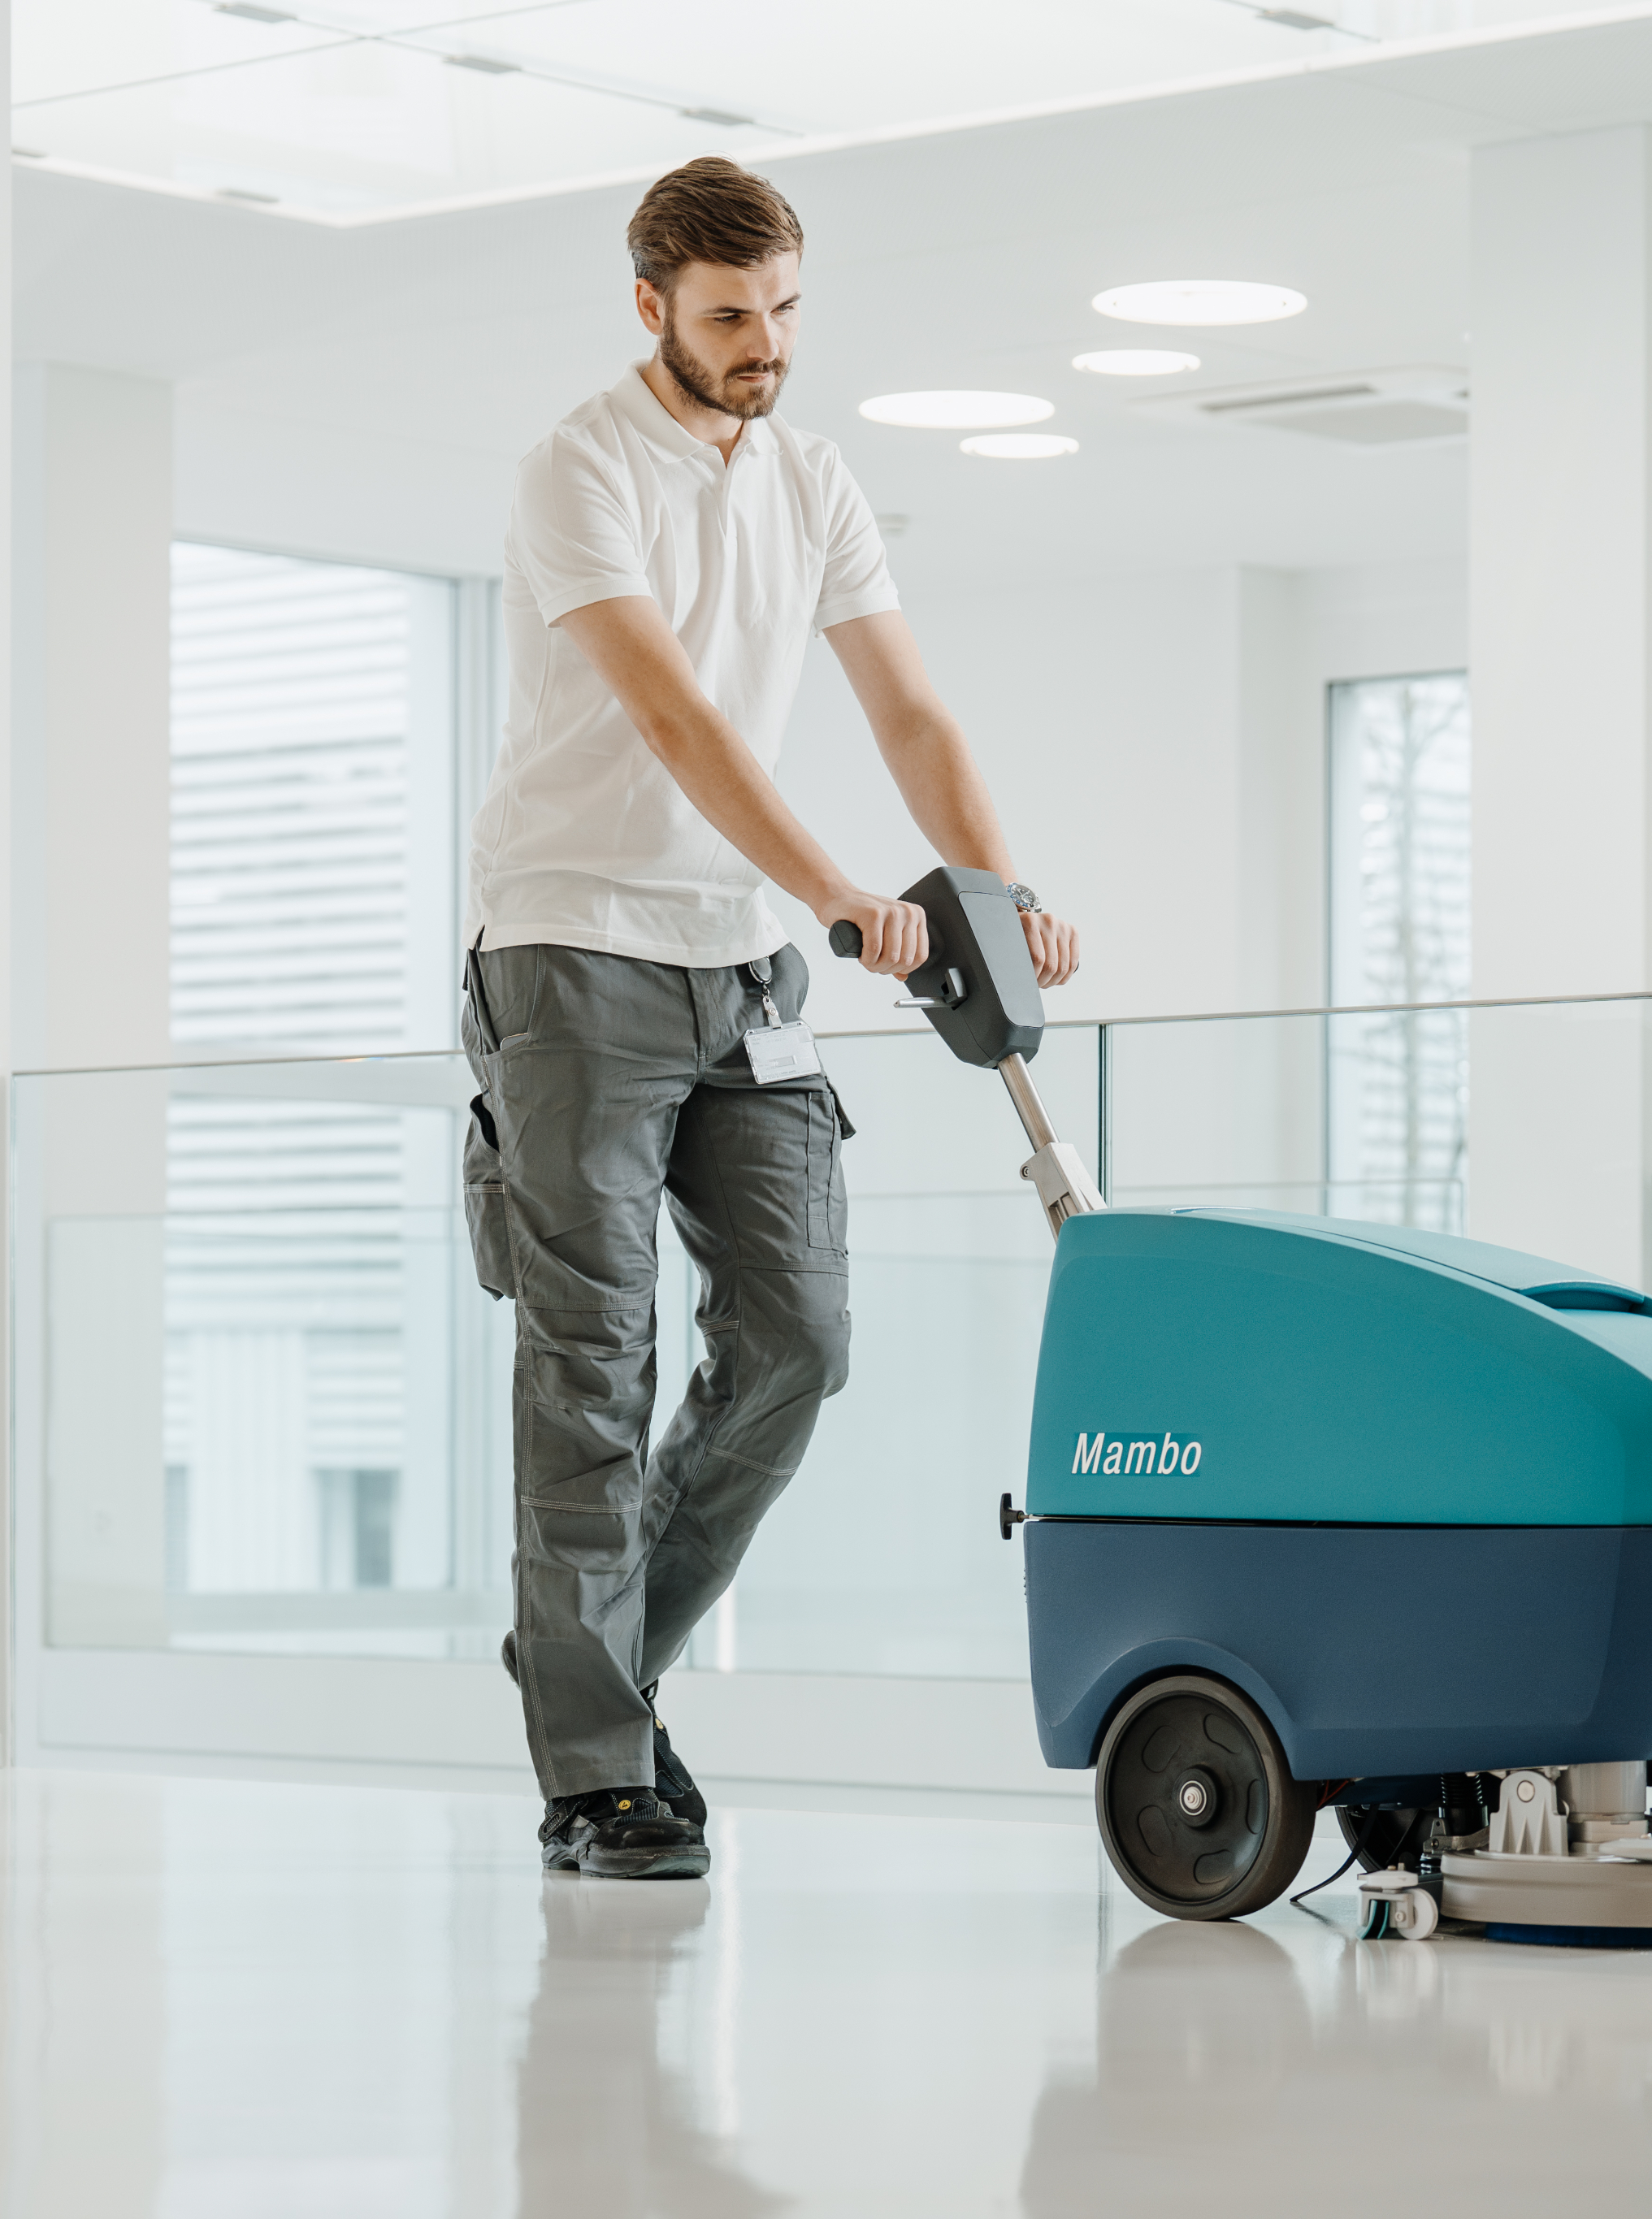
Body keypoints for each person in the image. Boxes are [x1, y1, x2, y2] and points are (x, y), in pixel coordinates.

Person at [464, 154, 1082, 1879]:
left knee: (798, 1338)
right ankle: (595, 1771)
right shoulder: (578, 468)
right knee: (591, 1361)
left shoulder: (811, 479)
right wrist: (835, 892)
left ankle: (587, 1665)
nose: (764, 345)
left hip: (738, 976)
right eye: (730, 316)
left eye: (785, 311)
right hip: (574, 949)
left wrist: (997, 894)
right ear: (649, 301)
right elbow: (671, 720)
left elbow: (909, 711)